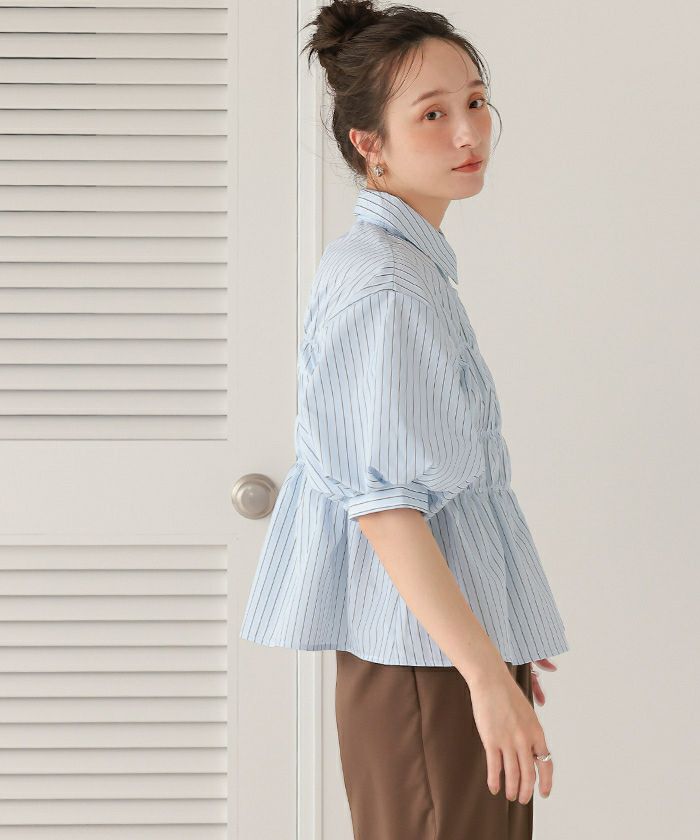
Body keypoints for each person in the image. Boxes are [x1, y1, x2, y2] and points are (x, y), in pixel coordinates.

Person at [240, 2, 570, 837]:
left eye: (475, 101)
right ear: (370, 144)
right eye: (432, 114)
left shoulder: (403, 268)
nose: (468, 132)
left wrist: (495, 638)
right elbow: (385, 508)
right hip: (429, 674)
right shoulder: (387, 285)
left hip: (441, 656)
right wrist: (483, 674)